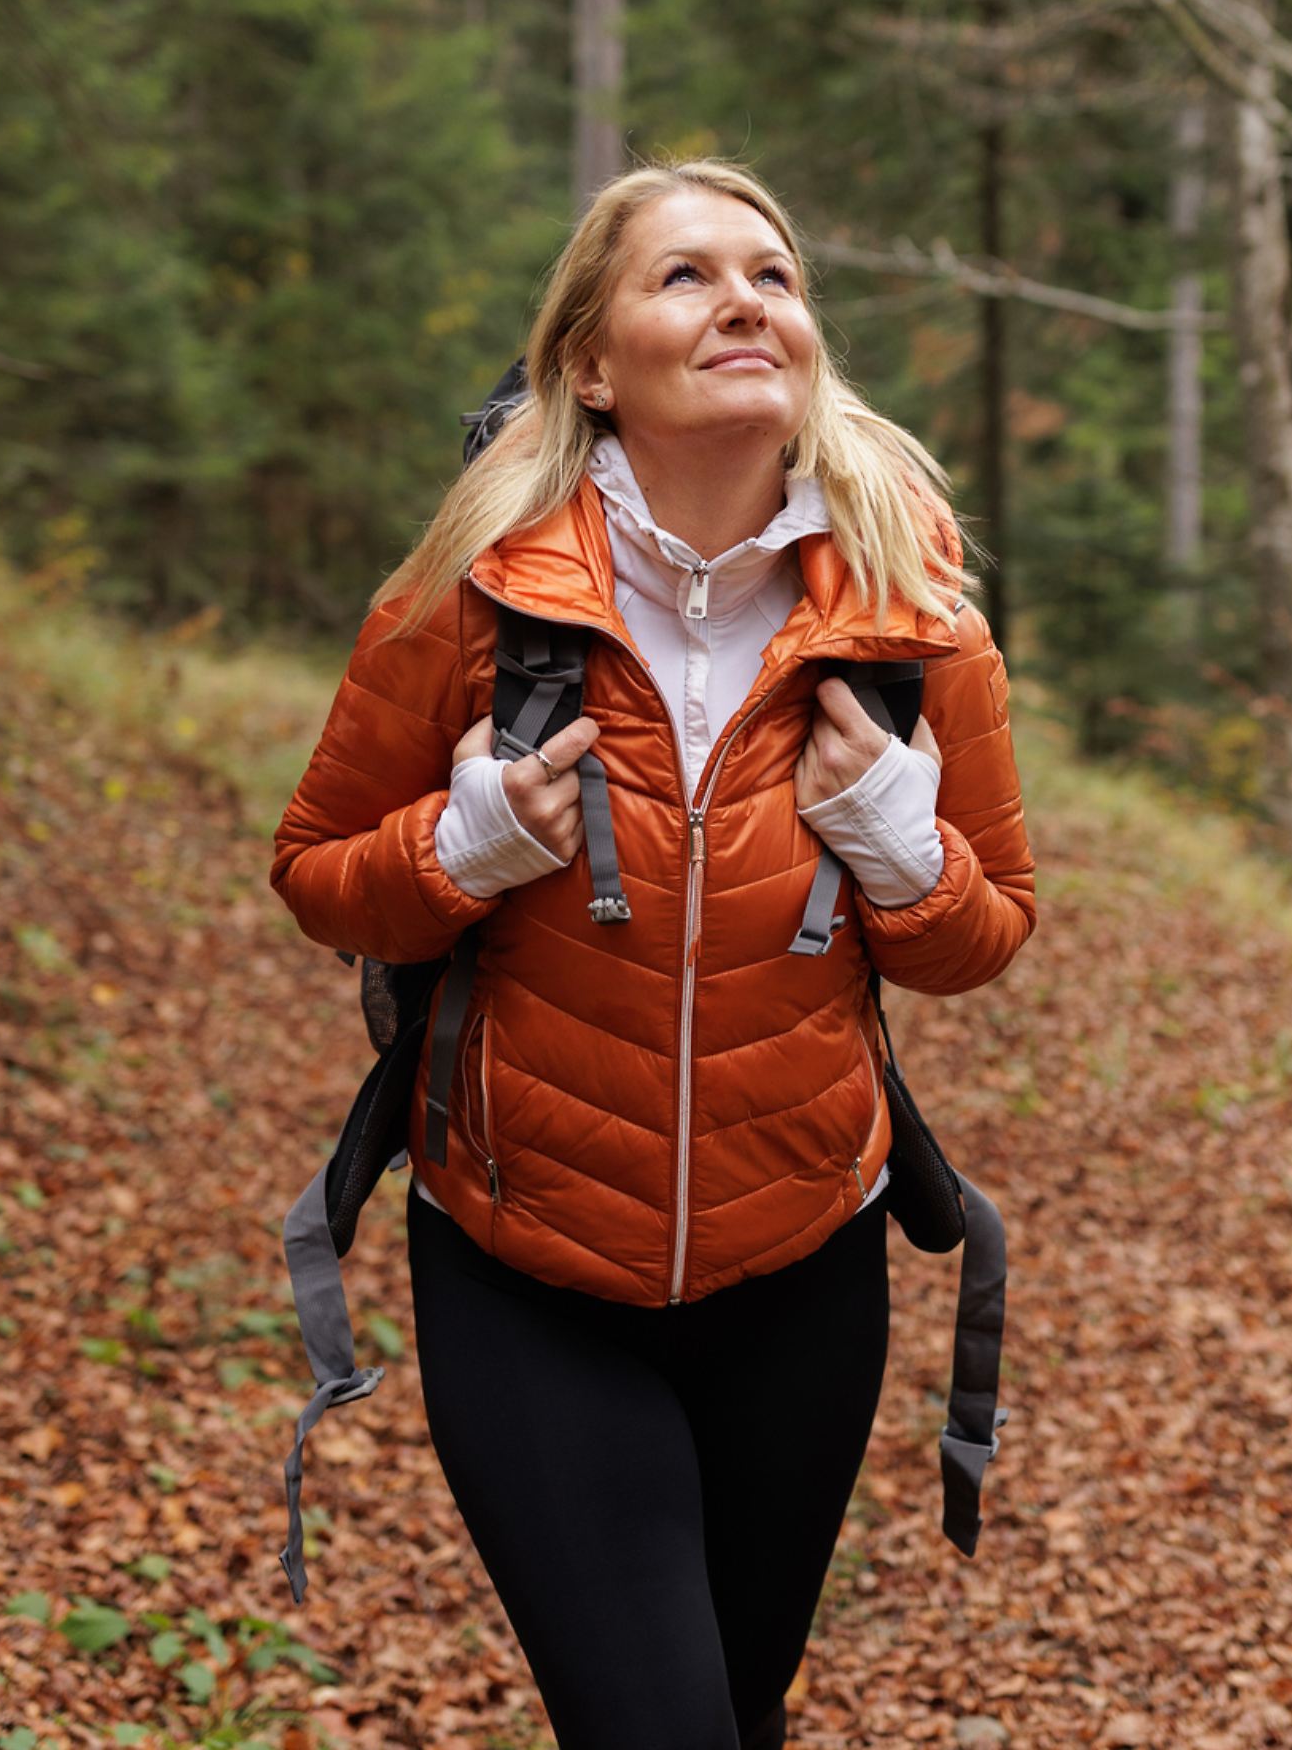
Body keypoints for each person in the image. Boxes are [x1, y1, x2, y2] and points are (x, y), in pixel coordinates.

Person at [269, 158, 1038, 1750]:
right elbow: (319, 876)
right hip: (524, 1260)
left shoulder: (913, 617)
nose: (745, 298)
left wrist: (898, 836)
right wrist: (461, 850)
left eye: (773, 273)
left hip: (801, 1265)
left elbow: (984, 934)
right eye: (684, 276)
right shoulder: (463, 599)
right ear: (591, 367)